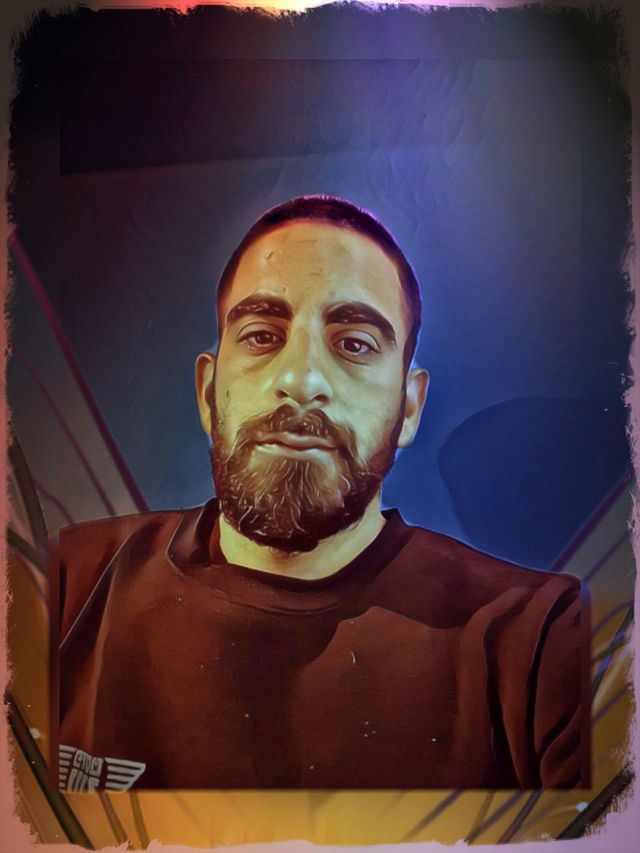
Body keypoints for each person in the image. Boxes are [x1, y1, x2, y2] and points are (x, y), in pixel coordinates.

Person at [50, 195, 590, 792]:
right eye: (261, 335)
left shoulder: (539, 642)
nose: (301, 380)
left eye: (355, 343)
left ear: (409, 408)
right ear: (208, 392)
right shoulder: (60, 585)